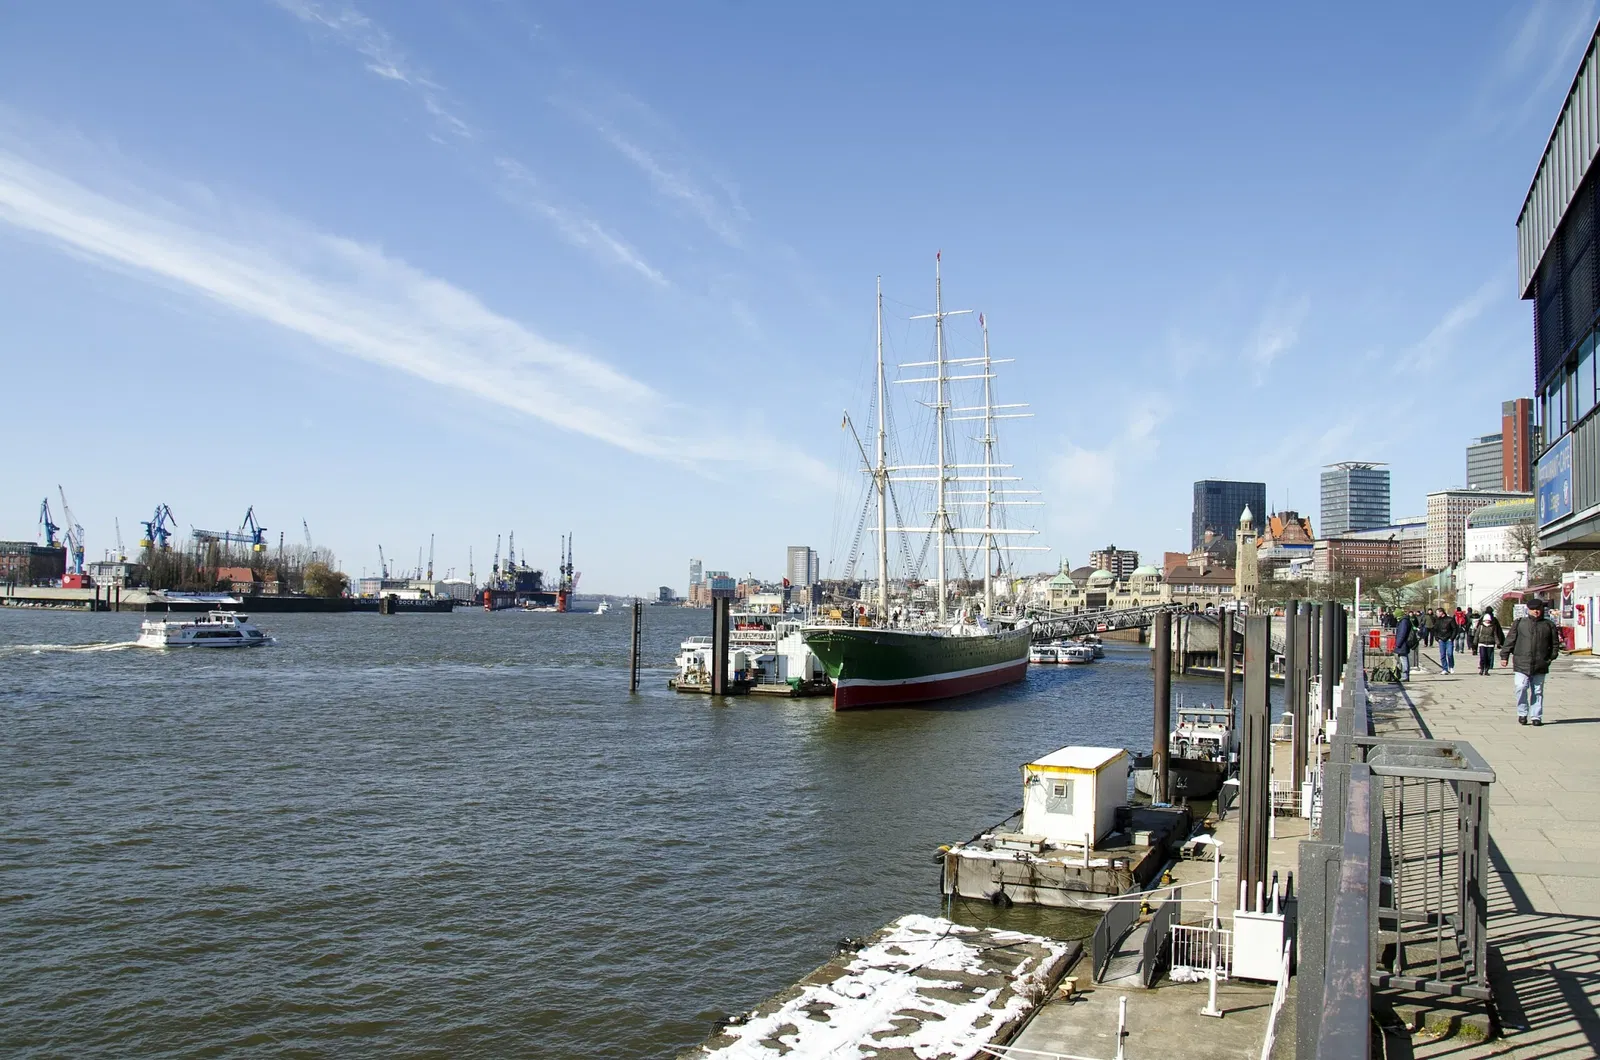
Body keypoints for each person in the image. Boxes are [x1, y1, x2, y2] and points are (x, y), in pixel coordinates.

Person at [1501, 599, 1560, 724]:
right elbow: (1510, 640)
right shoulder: (1520, 623)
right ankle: (1522, 712)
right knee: (1520, 687)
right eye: (1533, 609)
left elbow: (1555, 643)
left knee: (1537, 691)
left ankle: (1536, 716)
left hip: (1540, 663)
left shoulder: (1548, 625)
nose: (1536, 611)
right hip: (1521, 662)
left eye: (1538, 609)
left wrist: (1551, 657)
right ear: (1528, 609)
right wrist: (1504, 656)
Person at [1475, 611, 1503, 676]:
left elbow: (1495, 635)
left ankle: (1486, 670)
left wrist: (1498, 643)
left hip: (1490, 643)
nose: (1487, 621)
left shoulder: (1492, 626)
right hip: (1482, 643)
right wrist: (1475, 643)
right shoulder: (1481, 626)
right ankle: (1482, 669)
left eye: (1488, 620)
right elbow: (1477, 634)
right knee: (1482, 657)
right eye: (1486, 620)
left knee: (1488, 658)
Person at [1434, 607, 1458, 673]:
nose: (1436, 614)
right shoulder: (1437, 620)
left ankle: (1451, 666)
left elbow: (1455, 629)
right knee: (1442, 655)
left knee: (1450, 654)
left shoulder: (1450, 619)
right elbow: (1435, 630)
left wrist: (1452, 638)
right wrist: (1437, 638)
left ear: (1441, 612)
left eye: (1437, 613)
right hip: (1441, 639)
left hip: (1449, 639)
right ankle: (1445, 668)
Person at [1395, 610, 1414, 682]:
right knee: (1403, 658)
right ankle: (1405, 675)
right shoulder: (1404, 620)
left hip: (1403, 643)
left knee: (1403, 659)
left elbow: (1402, 633)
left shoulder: (1404, 622)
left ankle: (1405, 675)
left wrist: (1398, 643)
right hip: (1403, 643)